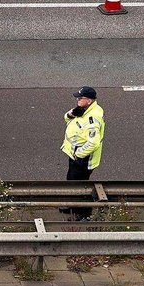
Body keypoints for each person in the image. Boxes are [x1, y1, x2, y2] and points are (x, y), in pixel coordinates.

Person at [60, 86, 105, 218]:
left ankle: (84, 213)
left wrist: (78, 154)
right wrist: (72, 114)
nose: (77, 100)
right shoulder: (84, 110)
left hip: (83, 158)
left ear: (89, 100)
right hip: (75, 155)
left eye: (81, 98)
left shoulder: (92, 119)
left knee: (81, 186)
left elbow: (93, 143)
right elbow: (67, 119)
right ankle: (72, 205)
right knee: (72, 181)